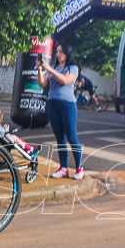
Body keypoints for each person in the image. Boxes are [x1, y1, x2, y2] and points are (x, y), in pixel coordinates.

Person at [38, 42, 84, 179]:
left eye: (60, 52)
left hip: (67, 105)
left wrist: (49, 69)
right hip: (53, 104)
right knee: (59, 137)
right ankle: (63, 168)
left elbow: (65, 80)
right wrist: (40, 69)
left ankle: (79, 168)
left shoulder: (73, 68)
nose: (57, 54)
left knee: (71, 136)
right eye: (56, 51)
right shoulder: (53, 67)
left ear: (66, 53)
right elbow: (42, 83)